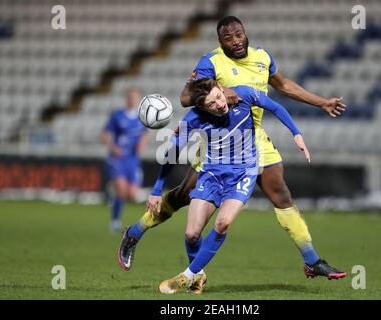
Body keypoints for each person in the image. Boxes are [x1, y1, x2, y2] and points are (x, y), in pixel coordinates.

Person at [122, 16, 347, 287]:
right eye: (228, 38)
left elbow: (284, 86)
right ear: (220, 42)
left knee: (281, 194)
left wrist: (321, 102)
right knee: (183, 196)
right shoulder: (211, 62)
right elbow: (186, 98)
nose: (236, 41)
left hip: (255, 137)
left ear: (245, 32)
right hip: (218, 143)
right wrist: (223, 90)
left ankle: (312, 261)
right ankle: (135, 232)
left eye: (239, 34)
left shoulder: (263, 57)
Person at [120, 78, 310, 293]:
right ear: (202, 107)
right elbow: (172, 154)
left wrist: (297, 134)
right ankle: (198, 277)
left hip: (243, 173)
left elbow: (275, 106)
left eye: (219, 97)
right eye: (212, 104)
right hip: (211, 174)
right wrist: (156, 190)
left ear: (221, 89)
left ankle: (187, 275)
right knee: (192, 234)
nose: (220, 104)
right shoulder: (193, 118)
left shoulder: (244, 95)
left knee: (223, 223)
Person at [100, 88, 149, 233]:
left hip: (133, 160)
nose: (132, 100)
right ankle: (115, 222)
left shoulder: (141, 118)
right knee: (121, 190)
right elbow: (103, 134)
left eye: (135, 98)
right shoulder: (117, 116)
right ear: (126, 99)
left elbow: (145, 135)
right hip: (118, 159)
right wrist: (112, 147)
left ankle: (115, 199)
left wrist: (142, 144)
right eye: (130, 97)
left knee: (132, 195)